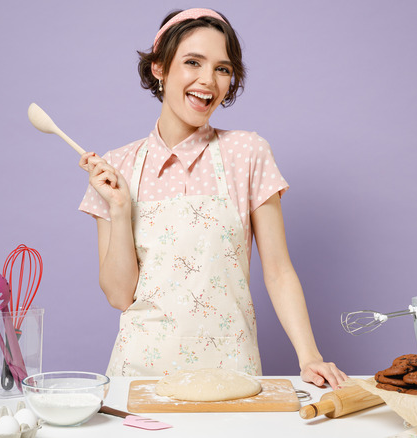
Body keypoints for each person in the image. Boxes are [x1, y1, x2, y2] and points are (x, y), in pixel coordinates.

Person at [78, 8, 347, 388]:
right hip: (137, 380)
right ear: (159, 68)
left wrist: (310, 356)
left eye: (222, 68)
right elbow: (120, 296)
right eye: (192, 62)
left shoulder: (247, 153)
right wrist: (121, 210)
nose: (209, 81)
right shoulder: (116, 167)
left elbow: (279, 270)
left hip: (231, 373)